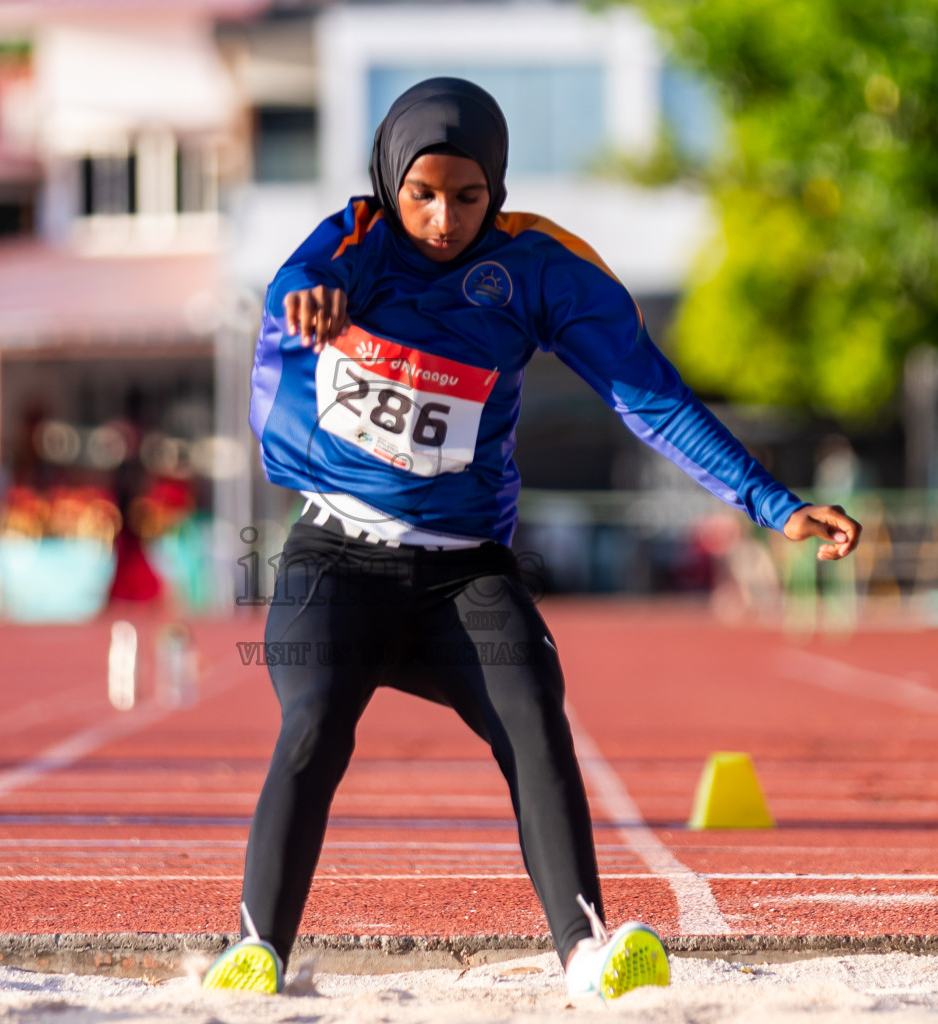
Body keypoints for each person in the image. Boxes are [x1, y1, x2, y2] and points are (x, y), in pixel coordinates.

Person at [203, 78, 861, 1000]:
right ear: (391, 180)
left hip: (461, 576)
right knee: (314, 723)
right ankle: (254, 950)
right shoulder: (358, 239)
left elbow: (650, 398)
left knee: (535, 714)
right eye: (422, 194)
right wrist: (309, 300)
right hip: (335, 560)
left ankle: (588, 951)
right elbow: (301, 278)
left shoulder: (540, 271)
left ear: (498, 188)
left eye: (468, 197)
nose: (442, 219)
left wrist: (771, 503)